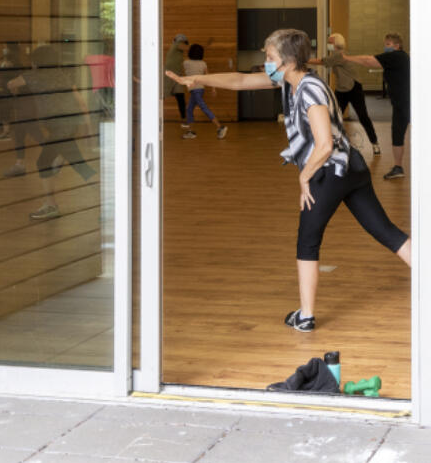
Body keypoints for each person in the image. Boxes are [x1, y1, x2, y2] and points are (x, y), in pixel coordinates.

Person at [167, 28, 411, 332]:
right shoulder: (288, 81)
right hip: (351, 168)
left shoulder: (310, 90)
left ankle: (306, 315)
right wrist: (199, 80)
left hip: (329, 171)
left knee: (307, 240)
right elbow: (242, 80)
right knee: (385, 231)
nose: (265, 62)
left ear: (288, 60)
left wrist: (305, 177)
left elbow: (323, 145)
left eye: (269, 57)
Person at [6, 44, 97, 220]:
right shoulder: (62, 76)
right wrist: (89, 130)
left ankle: (51, 205)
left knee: (43, 162)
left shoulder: (32, 76)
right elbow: (82, 103)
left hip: (59, 129)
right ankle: (110, 198)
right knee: (81, 167)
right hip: (70, 126)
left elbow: (11, 83)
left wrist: (14, 90)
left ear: (36, 62)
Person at [341, 33, 409, 180]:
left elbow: (367, 60)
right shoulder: (398, 58)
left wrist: (346, 57)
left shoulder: (397, 56)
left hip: (406, 104)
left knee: (398, 134)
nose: (386, 47)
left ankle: (403, 166)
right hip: (401, 104)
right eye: (386, 44)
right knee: (397, 134)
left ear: (397, 46)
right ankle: (398, 167)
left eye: (389, 44)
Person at [309, 33, 381, 156]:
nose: (329, 44)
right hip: (341, 89)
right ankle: (332, 144)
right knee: (335, 118)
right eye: (329, 42)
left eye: (330, 42)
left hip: (354, 88)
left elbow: (321, 62)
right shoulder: (335, 55)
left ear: (337, 43)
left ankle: (375, 144)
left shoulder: (340, 54)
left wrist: (302, 60)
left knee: (363, 116)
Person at [182, 43, 228, 140]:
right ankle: (191, 132)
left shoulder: (186, 63)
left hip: (195, 90)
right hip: (200, 89)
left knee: (203, 108)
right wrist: (213, 88)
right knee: (189, 109)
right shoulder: (203, 63)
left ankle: (220, 127)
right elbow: (208, 77)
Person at [163, 34, 188, 122]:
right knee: (163, 96)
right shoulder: (176, 45)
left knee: (180, 96)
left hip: (177, 74)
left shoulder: (177, 49)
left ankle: (184, 119)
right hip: (169, 74)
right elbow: (188, 48)